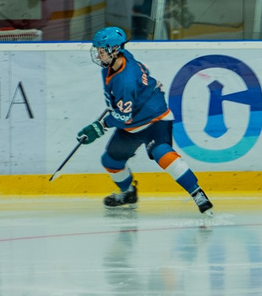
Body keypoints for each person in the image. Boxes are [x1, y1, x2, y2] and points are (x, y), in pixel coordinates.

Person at [77, 25, 213, 214]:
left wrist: (100, 126)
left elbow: (123, 115)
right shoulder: (115, 65)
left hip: (154, 120)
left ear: (114, 50)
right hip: (131, 126)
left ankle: (197, 193)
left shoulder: (125, 79)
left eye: (102, 51)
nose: (99, 56)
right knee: (111, 162)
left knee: (164, 155)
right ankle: (128, 193)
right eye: (98, 51)